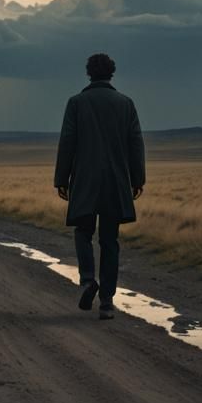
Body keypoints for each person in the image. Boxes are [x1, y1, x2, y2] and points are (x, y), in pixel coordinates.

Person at [54, 53, 145, 320]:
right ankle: (106, 301)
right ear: (111, 73)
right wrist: (137, 179)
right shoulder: (126, 104)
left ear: (89, 73)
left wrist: (62, 179)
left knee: (83, 232)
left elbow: (67, 142)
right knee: (109, 240)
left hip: (84, 180)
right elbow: (135, 144)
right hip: (116, 182)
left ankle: (87, 279)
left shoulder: (77, 103)